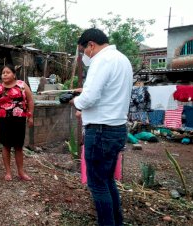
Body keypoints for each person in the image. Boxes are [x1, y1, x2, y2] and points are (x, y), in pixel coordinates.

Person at [70, 28, 133, 226]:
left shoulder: (101, 60)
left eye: (84, 51)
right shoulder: (121, 59)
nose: (85, 56)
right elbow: (109, 93)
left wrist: (76, 102)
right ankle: (116, 222)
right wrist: (86, 92)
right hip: (116, 128)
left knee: (97, 184)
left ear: (91, 45)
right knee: (107, 180)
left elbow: (90, 98)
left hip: (100, 131)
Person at [0, 64, 34, 181]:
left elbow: (30, 101)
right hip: (4, 121)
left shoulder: (22, 85)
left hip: (19, 120)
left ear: (14, 75)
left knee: (18, 146)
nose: (5, 74)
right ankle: (8, 172)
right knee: (6, 146)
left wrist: (30, 117)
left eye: (8, 72)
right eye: (3, 72)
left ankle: (21, 172)